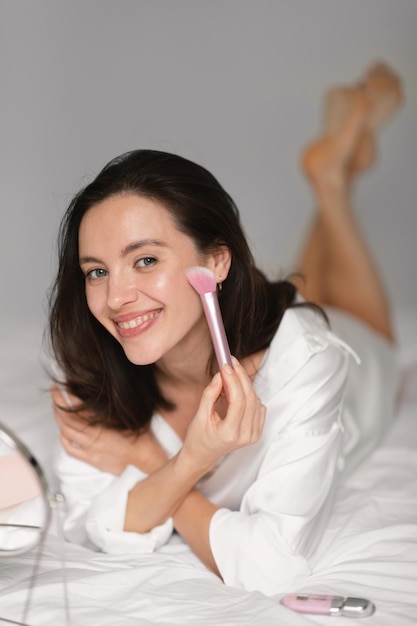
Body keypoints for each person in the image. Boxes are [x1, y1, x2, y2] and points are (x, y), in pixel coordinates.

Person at [49, 62, 402, 595]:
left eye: (144, 261)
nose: (115, 298)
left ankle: (331, 186)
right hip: (257, 311)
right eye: (96, 271)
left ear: (216, 261)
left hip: (355, 359)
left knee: (362, 327)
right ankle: (330, 175)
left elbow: (273, 566)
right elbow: (92, 523)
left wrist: (151, 460)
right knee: (298, 292)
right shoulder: (92, 364)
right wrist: (192, 459)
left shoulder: (305, 358)